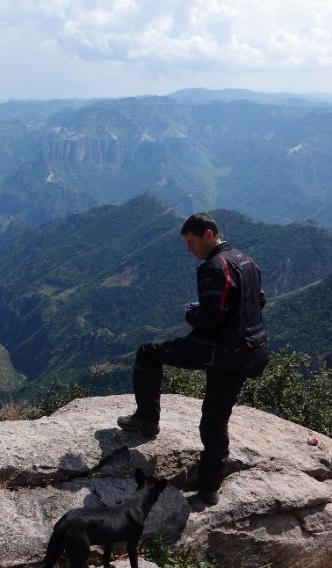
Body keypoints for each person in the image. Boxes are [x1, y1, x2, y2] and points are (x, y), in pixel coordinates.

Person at [116, 212, 267, 506]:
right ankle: (210, 487)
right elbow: (258, 301)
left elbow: (210, 320)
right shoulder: (247, 261)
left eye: (191, 242)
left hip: (216, 352)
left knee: (148, 353)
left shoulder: (213, 267)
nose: (189, 250)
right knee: (215, 420)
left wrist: (191, 313)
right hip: (249, 351)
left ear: (209, 235)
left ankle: (147, 418)